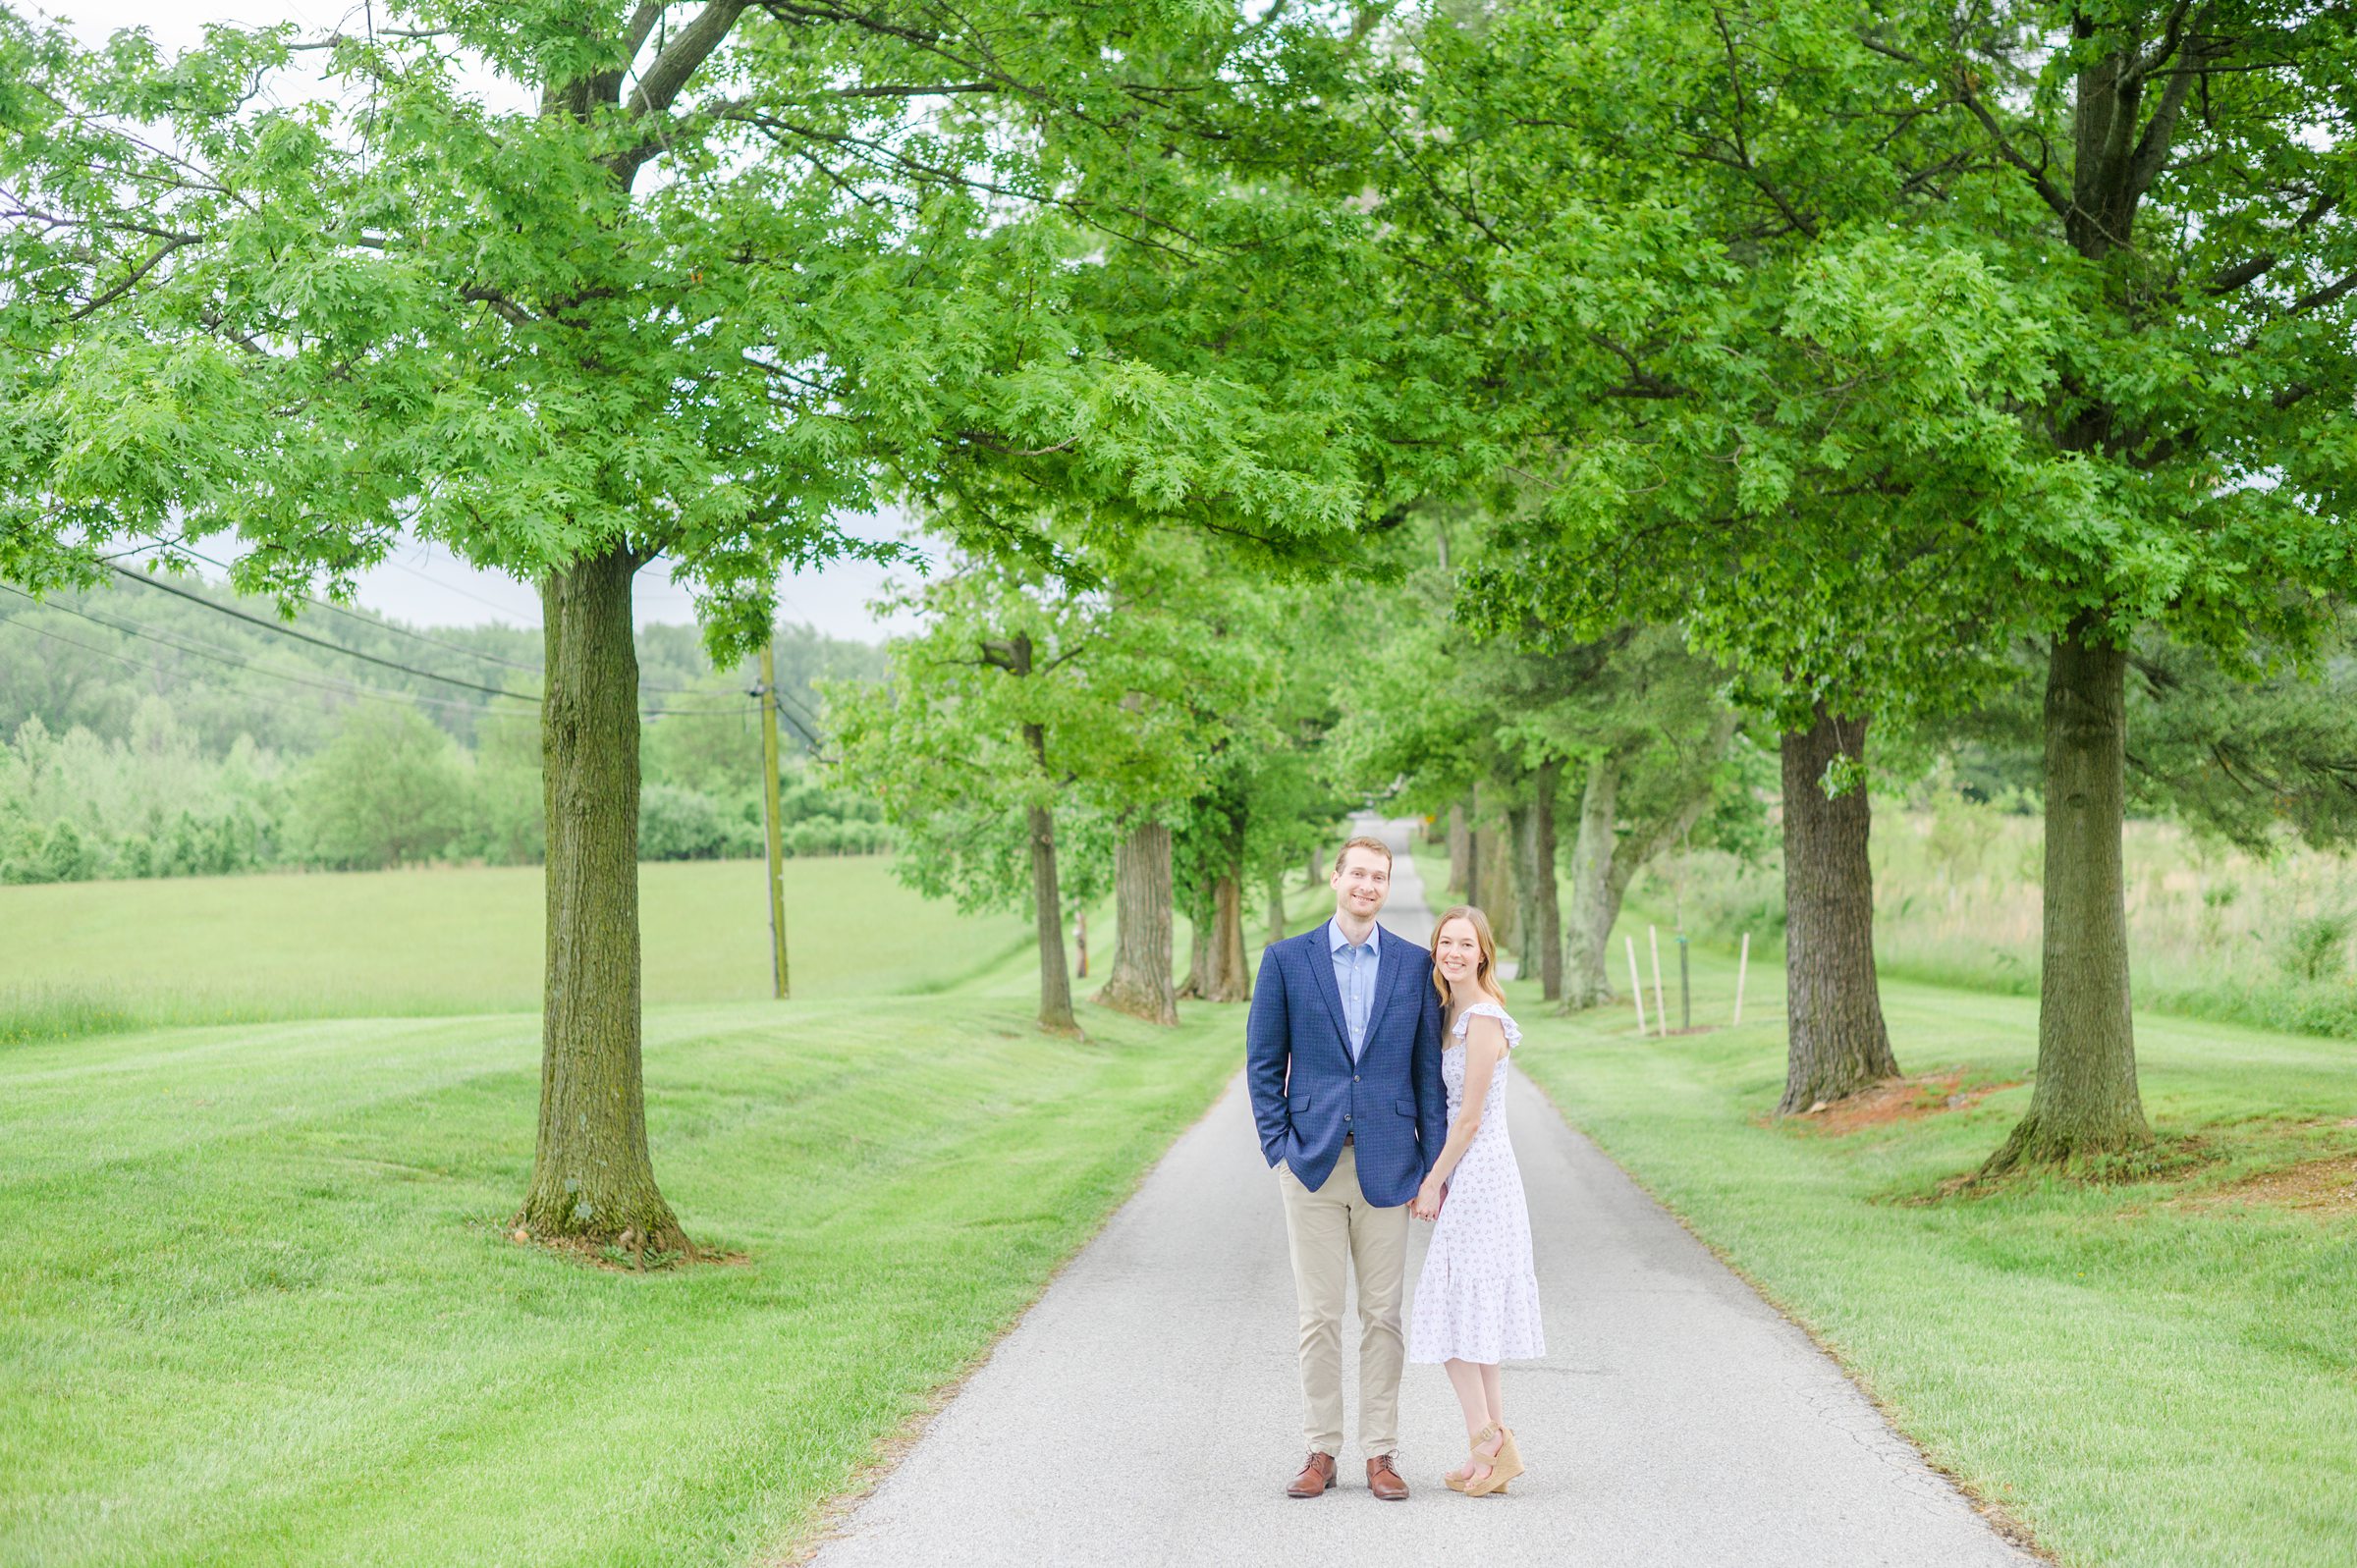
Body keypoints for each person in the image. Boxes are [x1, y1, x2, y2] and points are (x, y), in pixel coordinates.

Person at [1244, 833, 1448, 1501]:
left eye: (1378, 876)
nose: (1367, 885)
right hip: (1312, 1165)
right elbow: (1264, 1064)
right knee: (1319, 1314)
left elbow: (1427, 1078)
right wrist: (1280, 1148)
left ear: (1386, 887)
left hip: (1391, 1164)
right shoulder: (1285, 961)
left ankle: (1380, 1452)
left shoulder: (1415, 968)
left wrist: (1433, 1169)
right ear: (1335, 878)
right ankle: (1320, 1449)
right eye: (1356, 873)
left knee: (1384, 1314)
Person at [1407, 904, 1543, 1497]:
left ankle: (1488, 1443)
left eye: (1465, 944)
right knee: (1475, 1320)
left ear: (1483, 952)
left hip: (1481, 1176)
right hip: (1474, 1175)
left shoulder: (1484, 1017)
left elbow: (1469, 1119)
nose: (1453, 953)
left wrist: (1433, 1180)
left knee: (1445, 1310)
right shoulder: (1455, 1013)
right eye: (1445, 943)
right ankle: (1492, 1455)